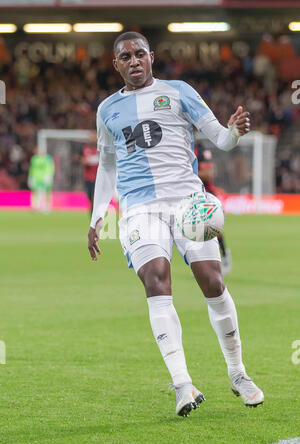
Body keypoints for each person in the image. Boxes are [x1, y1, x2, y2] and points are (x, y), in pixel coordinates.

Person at [88, 32, 264, 417]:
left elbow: (220, 138)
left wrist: (234, 131)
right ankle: (183, 384)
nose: (133, 61)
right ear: (115, 64)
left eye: (139, 54)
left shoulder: (180, 91)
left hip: (188, 203)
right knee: (155, 279)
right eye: (125, 57)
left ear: (151, 57)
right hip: (139, 208)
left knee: (213, 281)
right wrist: (97, 215)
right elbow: (108, 166)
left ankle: (238, 374)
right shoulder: (106, 111)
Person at [196, 143, 232, 275]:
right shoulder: (183, 146)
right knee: (196, 230)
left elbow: (207, 174)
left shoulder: (201, 149)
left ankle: (224, 255)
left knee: (213, 228)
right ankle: (204, 265)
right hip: (191, 194)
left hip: (206, 194)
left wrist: (186, 175)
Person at [28, 148, 54, 213]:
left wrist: (49, 175)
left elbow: (50, 167)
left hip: (45, 178)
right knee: (35, 191)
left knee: (47, 192)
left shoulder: (48, 158)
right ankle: (35, 205)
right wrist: (31, 177)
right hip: (36, 178)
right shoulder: (34, 159)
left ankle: (47, 206)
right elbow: (32, 168)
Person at [79, 131, 99, 215]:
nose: (93, 139)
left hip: (98, 177)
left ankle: (96, 214)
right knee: (90, 197)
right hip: (88, 177)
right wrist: (88, 160)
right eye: (91, 137)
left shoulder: (100, 148)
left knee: (96, 197)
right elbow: (82, 160)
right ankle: (93, 213)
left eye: (94, 137)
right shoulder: (84, 148)